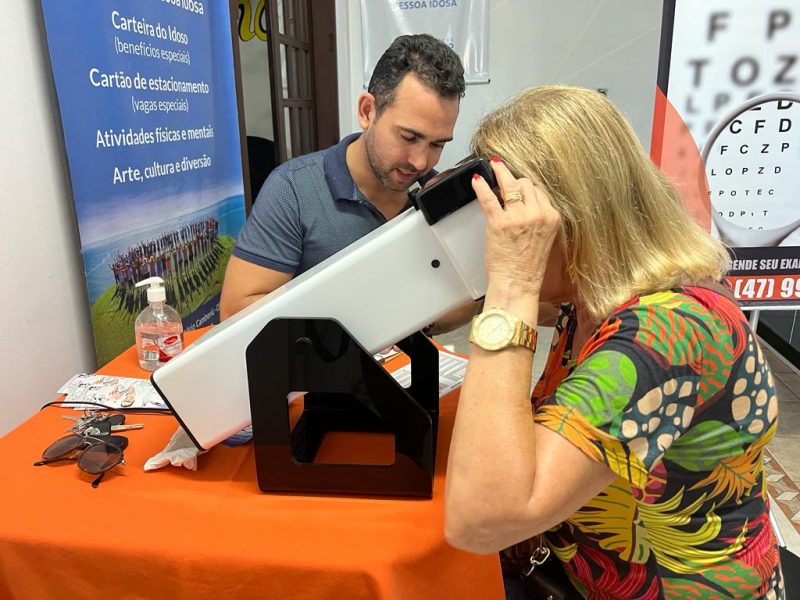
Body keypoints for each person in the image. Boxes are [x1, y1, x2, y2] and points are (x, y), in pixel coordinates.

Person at [444, 85, 784, 599]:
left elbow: (482, 519)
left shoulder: (671, 330)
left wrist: (511, 283)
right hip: (586, 573)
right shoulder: (592, 301)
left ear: (575, 217)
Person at [220, 34, 466, 320]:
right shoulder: (294, 190)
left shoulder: (438, 194)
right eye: (409, 137)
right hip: (321, 361)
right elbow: (236, 311)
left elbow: (467, 300)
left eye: (438, 144)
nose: (422, 162)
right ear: (367, 111)